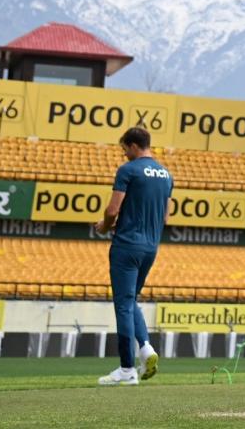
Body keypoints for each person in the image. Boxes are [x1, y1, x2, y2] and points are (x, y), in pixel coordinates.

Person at [94, 126, 173, 386]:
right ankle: (146, 350)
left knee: (123, 305)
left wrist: (104, 226)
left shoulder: (128, 170)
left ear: (132, 146)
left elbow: (112, 208)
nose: (124, 154)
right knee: (131, 301)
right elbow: (164, 216)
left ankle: (127, 369)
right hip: (150, 246)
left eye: (124, 149)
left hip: (127, 245)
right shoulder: (165, 174)